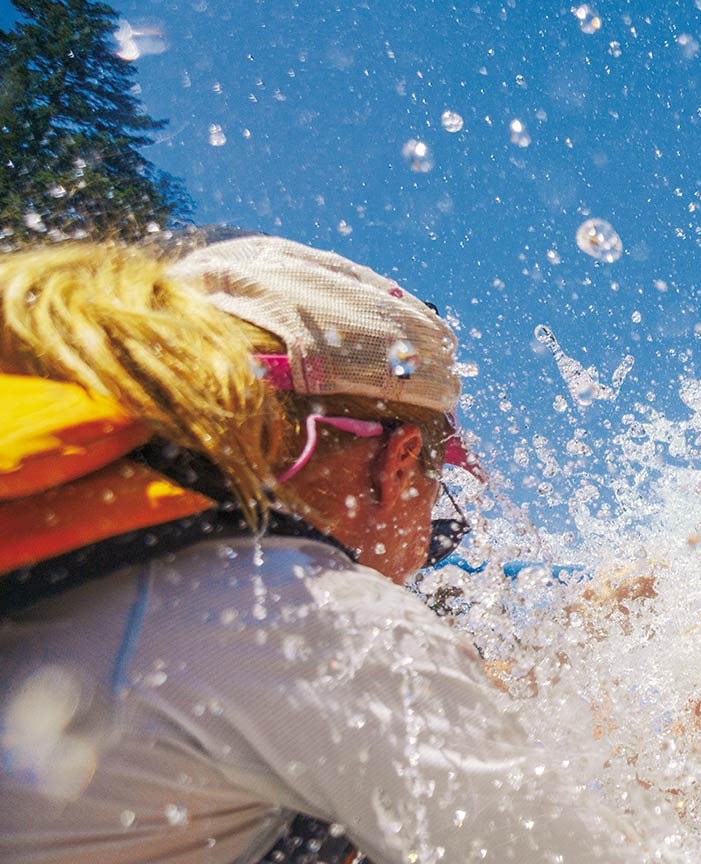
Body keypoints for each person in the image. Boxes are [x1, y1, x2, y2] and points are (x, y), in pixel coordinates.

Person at [0, 234, 637, 862]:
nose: (427, 555)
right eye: (440, 514)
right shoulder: (309, 616)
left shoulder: (106, 557)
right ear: (398, 462)